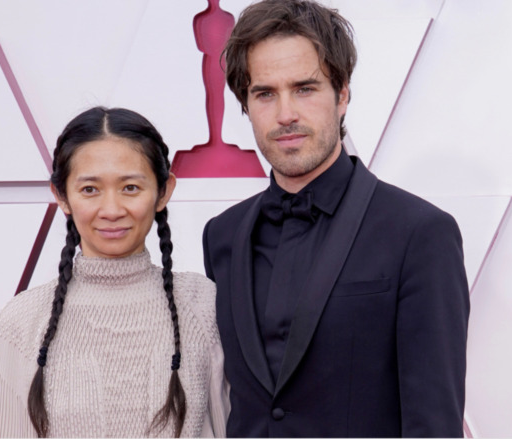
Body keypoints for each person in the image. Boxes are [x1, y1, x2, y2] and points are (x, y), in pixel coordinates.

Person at [201, 0, 470, 436]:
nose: (285, 114)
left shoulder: (419, 233)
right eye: (265, 93)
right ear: (246, 105)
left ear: (342, 94)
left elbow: (434, 424)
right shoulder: (222, 236)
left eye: (304, 88)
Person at [0, 107, 228, 437]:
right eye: (90, 190)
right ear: (62, 196)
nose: (111, 210)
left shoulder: (202, 306)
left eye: (130, 187)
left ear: (163, 192)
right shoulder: (23, 321)